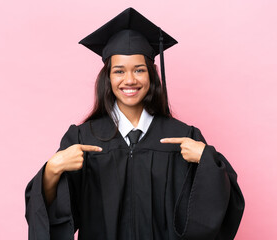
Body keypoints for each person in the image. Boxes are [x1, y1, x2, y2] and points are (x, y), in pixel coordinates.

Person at [25, 7, 245, 240]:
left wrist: (207, 161)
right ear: (108, 78)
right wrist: (52, 169)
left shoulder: (183, 137)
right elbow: (51, 213)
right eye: (119, 71)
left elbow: (220, 207)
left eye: (139, 70)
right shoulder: (83, 139)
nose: (129, 80)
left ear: (151, 75)